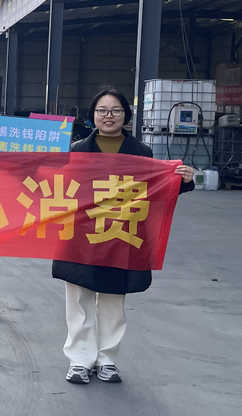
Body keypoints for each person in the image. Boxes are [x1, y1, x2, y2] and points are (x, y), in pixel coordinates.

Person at [53, 86, 194, 385]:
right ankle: (79, 360)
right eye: (102, 110)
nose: (109, 116)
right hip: (80, 235)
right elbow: (58, 188)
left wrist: (181, 182)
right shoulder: (76, 150)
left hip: (121, 233)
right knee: (78, 300)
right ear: (92, 115)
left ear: (126, 115)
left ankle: (106, 359)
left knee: (112, 301)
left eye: (116, 110)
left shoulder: (141, 153)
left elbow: (155, 192)